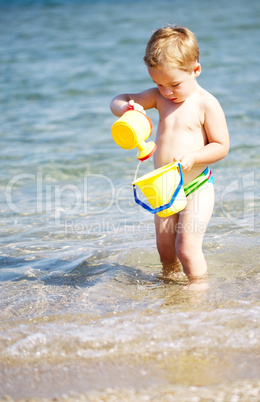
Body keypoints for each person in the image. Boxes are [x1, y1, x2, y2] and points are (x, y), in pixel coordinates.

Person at [110, 26, 230, 288]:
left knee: (186, 248)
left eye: (174, 84)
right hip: (163, 188)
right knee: (165, 250)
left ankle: (199, 293)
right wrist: (128, 108)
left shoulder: (206, 103)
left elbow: (221, 146)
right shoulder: (159, 98)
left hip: (196, 186)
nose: (166, 91)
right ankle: (172, 294)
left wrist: (194, 156)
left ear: (195, 70)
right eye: (158, 84)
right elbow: (118, 100)